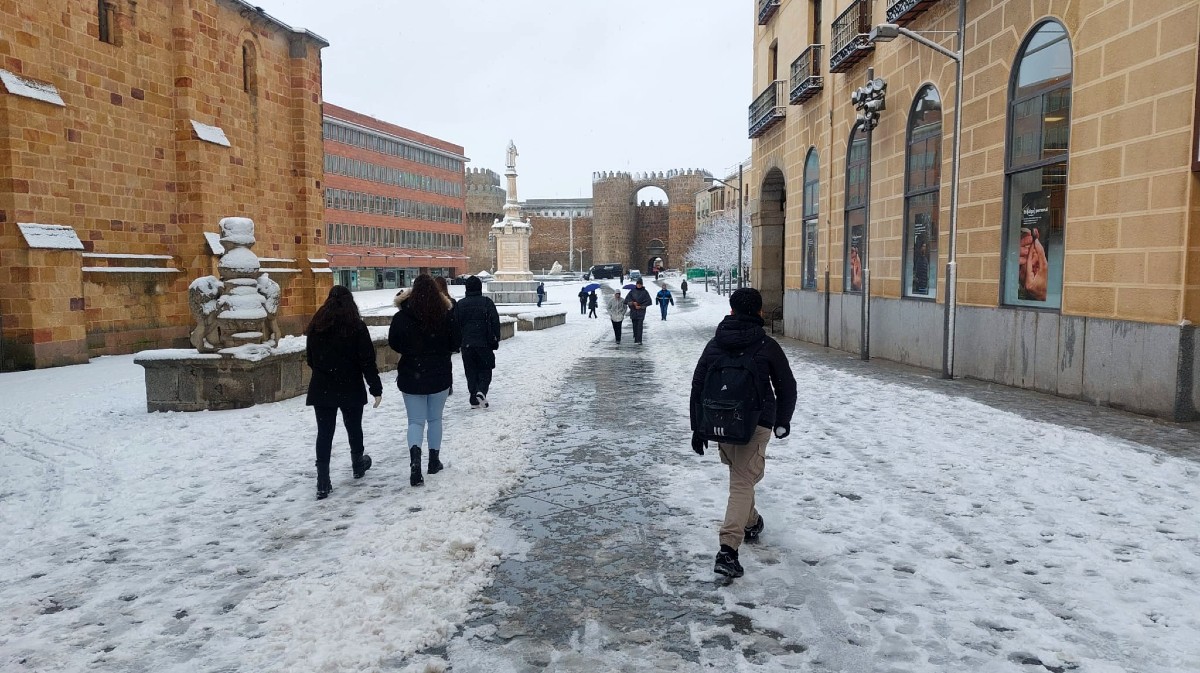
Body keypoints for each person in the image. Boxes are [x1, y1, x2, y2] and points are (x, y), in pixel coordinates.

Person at [689, 288, 797, 579]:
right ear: (760, 312)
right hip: (757, 421)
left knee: (741, 476)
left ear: (732, 311)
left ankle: (751, 521)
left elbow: (697, 386)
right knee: (742, 480)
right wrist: (782, 421)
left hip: (721, 421)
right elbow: (787, 386)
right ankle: (728, 549)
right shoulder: (767, 345)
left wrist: (697, 428)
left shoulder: (715, 343)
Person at [304, 285, 382, 500]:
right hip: (350, 385)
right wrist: (375, 388)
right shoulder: (356, 327)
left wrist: (326, 372)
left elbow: (310, 358)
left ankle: (323, 480)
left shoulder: (316, 326)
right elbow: (367, 361)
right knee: (353, 426)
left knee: (325, 432)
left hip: (323, 386)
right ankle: (358, 464)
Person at [389, 274, 461, 487]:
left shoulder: (402, 317)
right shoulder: (445, 315)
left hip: (412, 374)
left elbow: (394, 342)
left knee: (415, 421)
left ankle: (415, 463)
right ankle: (433, 460)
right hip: (439, 374)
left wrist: (412, 352)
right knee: (435, 419)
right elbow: (456, 342)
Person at [453, 275, 501, 409]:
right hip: (484, 343)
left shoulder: (460, 304)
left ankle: (474, 397)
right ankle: (481, 390)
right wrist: (496, 338)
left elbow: (454, 325)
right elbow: (495, 322)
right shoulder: (487, 302)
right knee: (486, 369)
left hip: (467, 344)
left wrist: (457, 343)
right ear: (480, 287)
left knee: (470, 370)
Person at [623, 278, 652, 345]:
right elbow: (626, 301)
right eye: (638, 284)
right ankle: (636, 337)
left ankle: (639, 340)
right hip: (633, 311)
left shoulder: (645, 292)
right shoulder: (632, 291)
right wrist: (632, 303)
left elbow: (648, 302)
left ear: (642, 284)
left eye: (640, 284)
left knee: (640, 326)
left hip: (641, 312)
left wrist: (641, 306)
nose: (639, 285)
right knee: (635, 326)